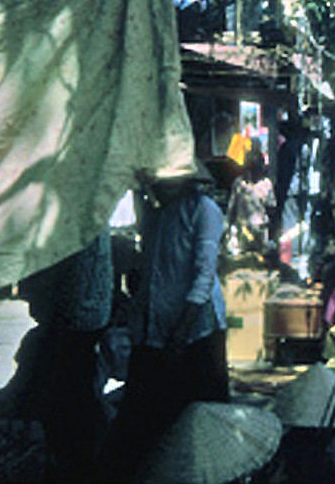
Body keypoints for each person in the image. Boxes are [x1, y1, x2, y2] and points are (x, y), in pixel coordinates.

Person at [97, 162, 229, 482]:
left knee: (201, 423)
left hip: (195, 331)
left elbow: (202, 275)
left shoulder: (204, 209)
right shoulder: (158, 214)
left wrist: (181, 334)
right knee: (151, 418)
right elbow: (152, 273)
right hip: (157, 330)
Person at [17, 232, 113, 483]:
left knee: (69, 404)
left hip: (75, 318)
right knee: (76, 400)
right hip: (84, 317)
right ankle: (74, 463)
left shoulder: (75, 221)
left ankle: (72, 466)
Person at [226, 143, 275, 254]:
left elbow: (271, 208)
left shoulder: (266, 184)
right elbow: (232, 210)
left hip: (260, 234)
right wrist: (229, 231)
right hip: (243, 235)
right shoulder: (239, 184)